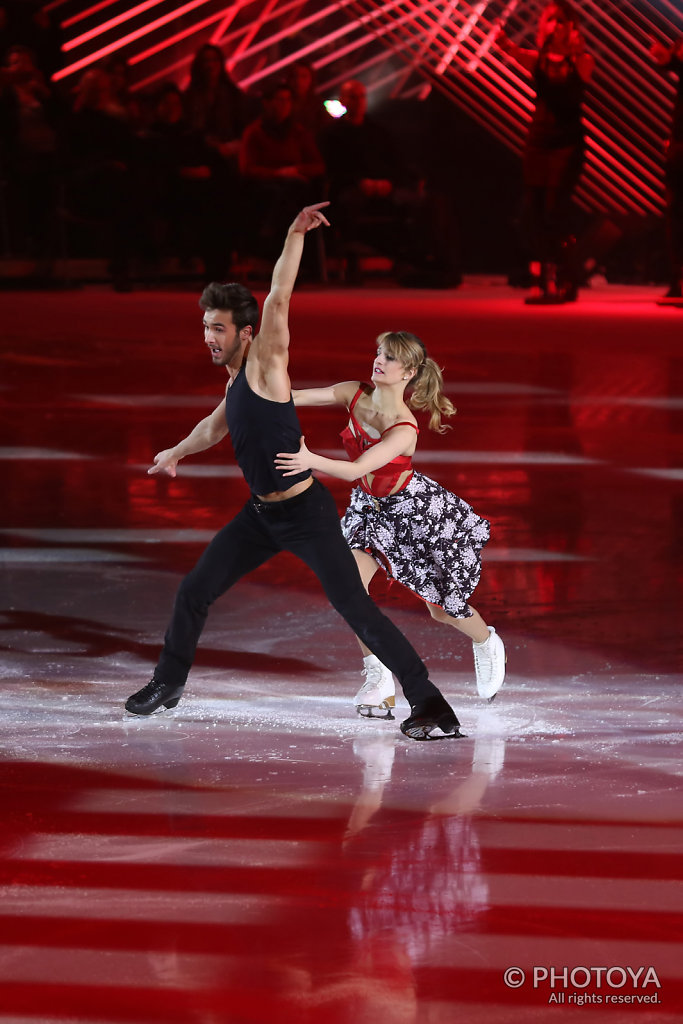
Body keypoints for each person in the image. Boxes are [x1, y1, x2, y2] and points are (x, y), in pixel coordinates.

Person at [125, 203, 463, 741]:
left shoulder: (265, 361)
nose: (209, 338)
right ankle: (168, 683)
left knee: (355, 607)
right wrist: (174, 453)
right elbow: (215, 427)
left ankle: (433, 705)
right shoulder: (237, 381)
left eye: (218, 328)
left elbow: (279, 294)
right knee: (194, 590)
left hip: (305, 512)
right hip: (260, 516)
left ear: (246, 332)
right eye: (204, 327)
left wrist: (293, 235)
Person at [276, 330, 506, 717]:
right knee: (350, 587)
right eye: (379, 353)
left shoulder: (404, 428)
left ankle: (486, 642)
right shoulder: (352, 392)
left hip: (414, 516)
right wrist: (255, 387)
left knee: (440, 607)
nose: (379, 361)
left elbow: (356, 469)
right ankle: (379, 678)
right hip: (369, 512)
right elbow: (289, 399)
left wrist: (308, 459)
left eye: (391, 358)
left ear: (409, 372)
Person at [497, 2, 594, 304]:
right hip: (538, 142)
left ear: (573, 26)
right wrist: (502, 42)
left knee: (556, 209)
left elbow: (575, 87)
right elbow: (513, 51)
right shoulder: (537, 59)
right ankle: (545, 279)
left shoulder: (582, 60)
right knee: (536, 211)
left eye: (562, 20)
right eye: (551, 19)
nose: (556, 25)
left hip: (567, 143)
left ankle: (565, 275)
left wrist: (573, 52)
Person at [650, 35, 683, 304]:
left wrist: (671, 59)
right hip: (679, 144)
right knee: (675, 213)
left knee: (677, 212)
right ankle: (678, 279)